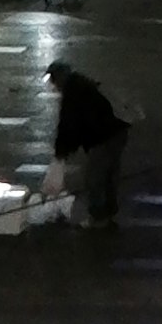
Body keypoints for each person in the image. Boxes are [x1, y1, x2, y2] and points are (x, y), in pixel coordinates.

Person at [48, 63, 126, 227]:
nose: (53, 85)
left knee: (94, 178)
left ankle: (97, 217)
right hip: (117, 132)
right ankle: (109, 214)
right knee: (110, 175)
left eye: (54, 80)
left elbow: (68, 125)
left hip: (103, 137)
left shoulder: (73, 92)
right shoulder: (82, 84)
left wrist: (60, 153)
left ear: (60, 78)